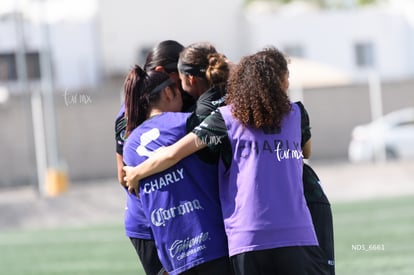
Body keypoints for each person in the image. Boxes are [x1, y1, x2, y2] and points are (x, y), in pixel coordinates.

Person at [124, 46, 330, 274]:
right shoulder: (296, 113)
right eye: (286, 78)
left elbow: (173, 153)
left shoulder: (225, 119)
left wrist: (136, 172)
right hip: (296, 233)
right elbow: (306, 151)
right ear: (279, 82)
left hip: (246, 237)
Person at [123, 65, 232, 275]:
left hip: (174, 256)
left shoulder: (130, 146)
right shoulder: (189, 123)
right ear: (168, 92)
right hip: (213, 246)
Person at [114, 40, 187, 275]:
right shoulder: (128, 115)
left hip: (177, 216)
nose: (185, 80)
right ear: (160, 73)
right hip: (149, 224)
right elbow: (124, 177)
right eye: (180, 73)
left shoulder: (180, 102)